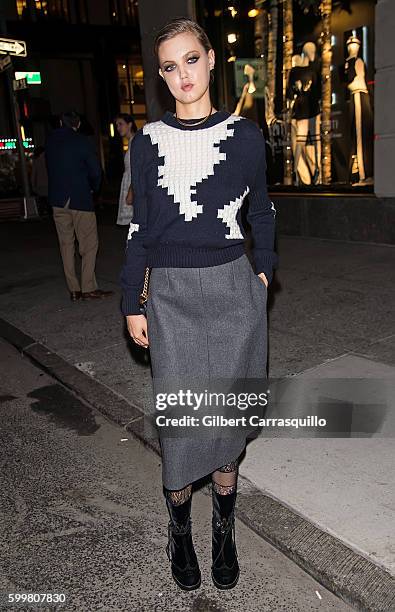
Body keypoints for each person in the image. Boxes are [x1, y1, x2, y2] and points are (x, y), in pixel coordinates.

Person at [120, 18, 278, 591]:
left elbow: (260, 210)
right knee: (185, 424)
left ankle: (224, 532)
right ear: (161, 75)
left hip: (234, 294)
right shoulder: (147, 142)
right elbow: (139, 228)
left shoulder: (245, 137)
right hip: (173, 298)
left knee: (227, 421)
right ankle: (181, 530)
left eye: (191, 60)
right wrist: (130, 300)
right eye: (169, 66)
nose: (182, 75)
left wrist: (263, 273)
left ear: (211, 61)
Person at [46, 110, 113, 302]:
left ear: (61, 121)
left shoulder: (51, 142)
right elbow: (95, 171)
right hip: (80, 198)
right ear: (78, 124)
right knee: (89, 244)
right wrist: (93, 188)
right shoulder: (82, 141)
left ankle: (74, 289)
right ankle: (88, 287)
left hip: (58, 200)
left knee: (66, 244)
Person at [115, 113, 138, 225]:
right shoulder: (131, 142)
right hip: (130, 183)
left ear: (129, 125)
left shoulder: (135, 142)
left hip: (133, 186)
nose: (118, 128)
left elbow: (137, 169)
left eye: (121, 124)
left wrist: (131, 191)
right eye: (117, 125)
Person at [31, 146, 50, 217]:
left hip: (40, 185)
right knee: (49, 202)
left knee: (42, 201)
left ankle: (41, 215)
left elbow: (33, 175)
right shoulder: (49, 160)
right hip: (49, 184)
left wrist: (33, 186)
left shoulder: (36, 161)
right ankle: (49, 215)